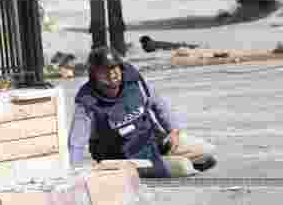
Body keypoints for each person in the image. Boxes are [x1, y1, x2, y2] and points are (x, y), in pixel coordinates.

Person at [68, 47, 217, 178]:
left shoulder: (134, 82)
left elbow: (159, 104)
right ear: (94, 74)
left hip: (153, 143)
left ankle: (165, 160)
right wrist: (74, 171)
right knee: (183, 167)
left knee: (206, 154)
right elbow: (77, 140)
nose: (112, 73)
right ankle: (164, 165)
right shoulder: (87, 101)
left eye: (114, 68)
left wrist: (173, 131)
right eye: (105, 70)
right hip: (123, 158)